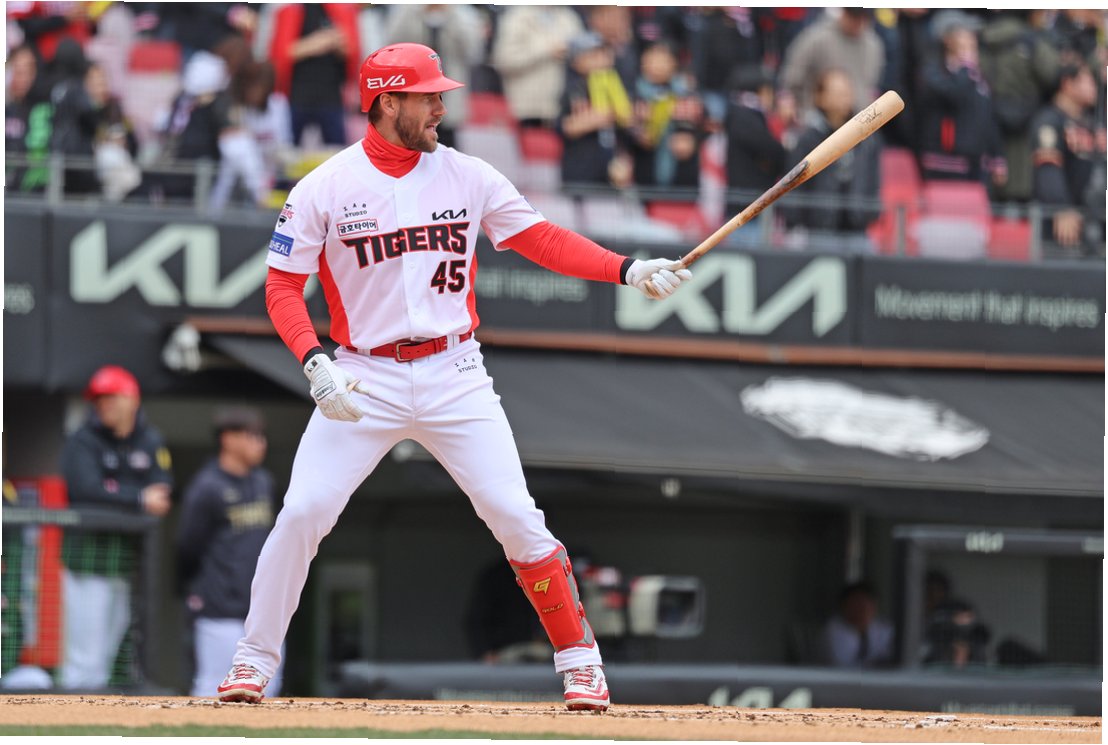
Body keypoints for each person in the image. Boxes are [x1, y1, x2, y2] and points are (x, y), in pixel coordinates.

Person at [215, 42, 693, 712]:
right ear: (387, 102)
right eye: (428, 96)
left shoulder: (467, 174)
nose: (441, 106)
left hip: (454, 369)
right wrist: (314, 360)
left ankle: (581, 664)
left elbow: (542, 239)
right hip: (364, 374)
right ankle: (254, 659)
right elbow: (282, 286)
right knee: (302, 512)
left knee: (514, 515)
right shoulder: (323, 186)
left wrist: (628, 269)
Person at [59, 365, 173, 689]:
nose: (103, 405)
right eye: (98, 399)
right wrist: (137, 497)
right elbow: (86, 489)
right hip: (88, 560)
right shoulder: (82, 440)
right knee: (85, 660)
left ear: (131, 399)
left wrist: (120, 494)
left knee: (109, 657)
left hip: (125, 563)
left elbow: (162, 489)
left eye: (110, 397)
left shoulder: (149, 440)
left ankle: (94, 717)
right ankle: (69, 718)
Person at [177, 406, 282, 698]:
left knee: (267, 688)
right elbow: (188, 547)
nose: (260, 443)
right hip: (219, 609)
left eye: (261, 436)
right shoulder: (207, 487)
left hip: (260, 611)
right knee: (213, 685)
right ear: (228, 439)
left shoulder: (263, 482)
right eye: (252, 436)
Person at [782, 68, 881, 253]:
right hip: (818, 231)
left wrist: (869, 213)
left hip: (857, 230)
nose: (844, 98)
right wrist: (796, 221)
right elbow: (794, 185)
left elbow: (873, 180)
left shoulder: (867, 138)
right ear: (820, 97)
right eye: (837, 93)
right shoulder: (807, 139)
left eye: (846, 92)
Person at [917, 9, 1008, 189]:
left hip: (977, 165)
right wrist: (965, 65)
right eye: (963, 33)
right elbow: (954, 94)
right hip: (944, 164)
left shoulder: (976, 74)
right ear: (947, 38)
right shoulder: (933, 72)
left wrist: (997, 157)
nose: (971, 38)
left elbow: (988, 116)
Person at [383, 4, 485, 150]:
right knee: (413, 140)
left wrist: (450, 14)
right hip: (415, 88)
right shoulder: (407, 11)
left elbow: (473, 52)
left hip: (449, 91)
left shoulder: (462, 14)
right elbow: (392, 44)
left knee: (446, 144)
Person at [1030, 61, 1105, 256]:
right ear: (1068, 84)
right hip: (1061, 226)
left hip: (1093, 220)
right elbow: (1047, 168)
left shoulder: (1091, 122)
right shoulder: (1049, 121)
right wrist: (1060, 208)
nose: (1094, 88)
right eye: (1088, 81)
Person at [268, 3, 360, 148]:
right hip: (297, 95)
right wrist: (317, 43)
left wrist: (339, 45)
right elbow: (279, 55)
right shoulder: (291, 10)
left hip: (331, 94)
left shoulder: (340, 10)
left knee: (337, 149)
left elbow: (352, 54)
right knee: (289, 148)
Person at [778, 8, 885, 121]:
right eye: (854, 17)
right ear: (844, 13)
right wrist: (787, 100)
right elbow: (792, 74)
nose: (857, 23)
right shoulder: (818, 37)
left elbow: (871, 86)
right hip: (816, 118)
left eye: (863, 18)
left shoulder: (873, 45)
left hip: (859, 119)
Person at [557, 32, 633, 188]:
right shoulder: (574, 89)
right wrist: (590, 121)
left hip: (611, 170)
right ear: (576, 61)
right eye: (593, 55)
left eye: (604, 53)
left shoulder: (616, 84)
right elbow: (563, 127)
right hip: (581, 171)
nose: (601, 59)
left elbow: (626, 123)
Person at [491, 5, 584, 129]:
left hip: (561, 109)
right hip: (525, 111)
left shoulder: (569, 18)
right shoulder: (516, 17)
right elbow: (503, 61)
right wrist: (547, 51)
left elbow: (583, 57)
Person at [817, 581, 895, 668]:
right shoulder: (832, 631)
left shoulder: (883, 628)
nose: (863, 609)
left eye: (867, 603)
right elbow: (842, 667)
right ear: (843, 606)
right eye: (857, 603)